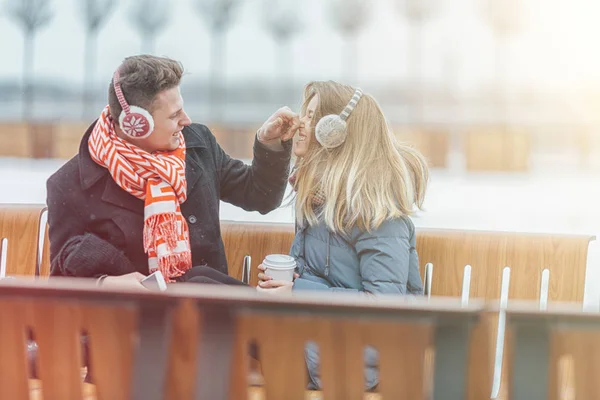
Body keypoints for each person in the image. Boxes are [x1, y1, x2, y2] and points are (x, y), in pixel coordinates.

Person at [46, 55, 298, 288]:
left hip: (211, 316)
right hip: (132, 325)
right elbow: (60, 277)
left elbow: (260, 196)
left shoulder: (198, 145)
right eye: (174, 115)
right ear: (136, 125)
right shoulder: (68, 185)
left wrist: (270, 143)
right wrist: (105, 283)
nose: (186, 120)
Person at [256, 80, 429, 390]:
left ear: (334, 131)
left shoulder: (377, 215)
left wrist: (296, 292)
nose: (300, 123)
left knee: (212, 309)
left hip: (359, 360)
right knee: (204, 289)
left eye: (311, 116)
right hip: (317, 342)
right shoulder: (320, 201)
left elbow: (384, 305)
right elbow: (322, 278)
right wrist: (286, 282)